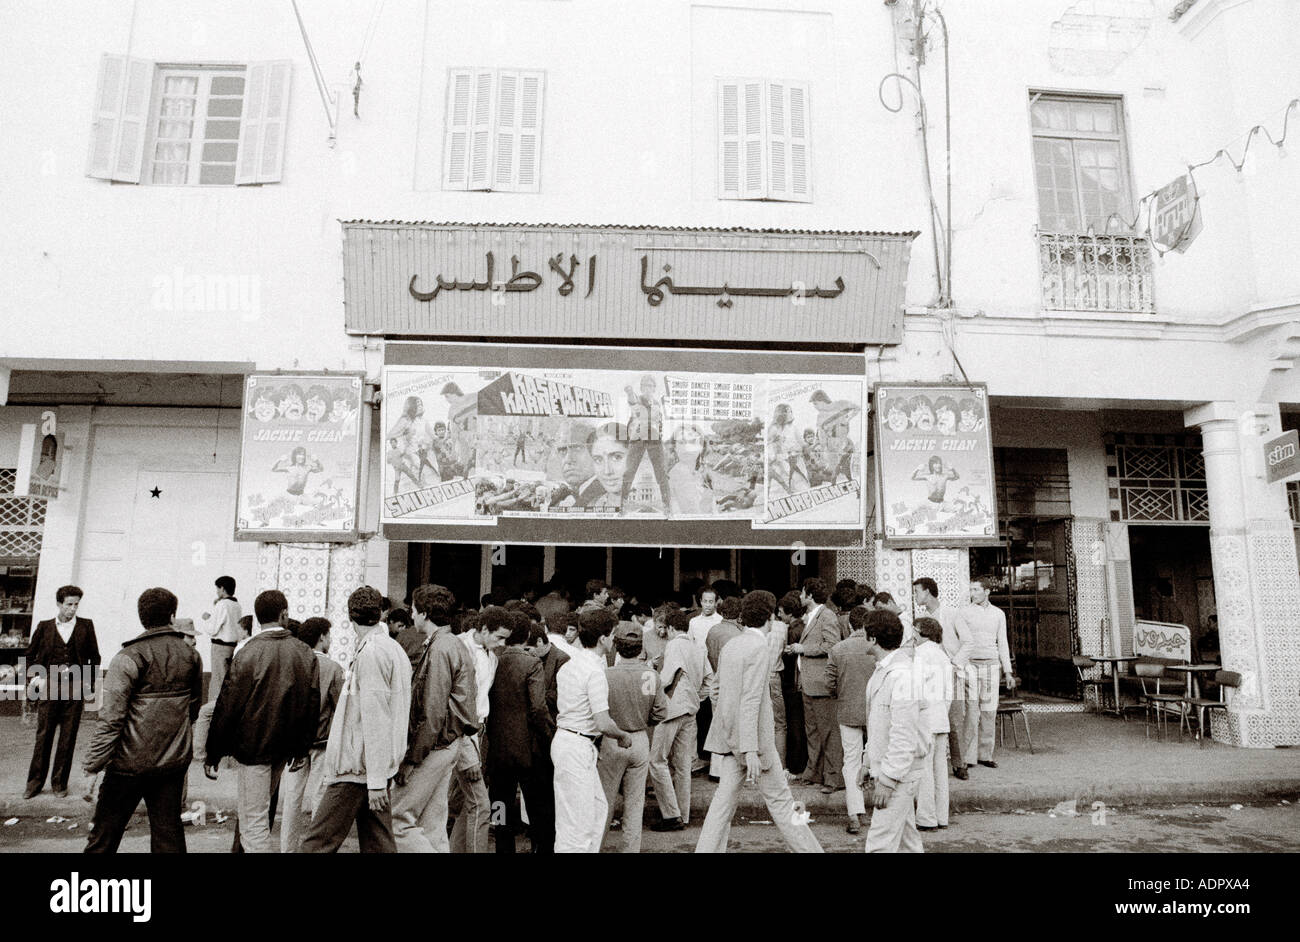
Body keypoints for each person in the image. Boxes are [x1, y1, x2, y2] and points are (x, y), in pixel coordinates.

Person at [696, 592, 823, 854]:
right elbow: (752, 699)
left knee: (722, 806)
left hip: (731, 740)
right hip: (756, 744)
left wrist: (733, 733)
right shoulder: (759, 648)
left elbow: (716, 691)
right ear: (769, 616)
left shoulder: (732, 644)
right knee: (782, 802)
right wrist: (750, 748)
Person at [83, 588, 202, 853]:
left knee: (104, 838)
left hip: (127, 764)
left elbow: (111, 719)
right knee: (168, 838)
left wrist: (93, 766)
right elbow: (192, 710)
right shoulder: (191, 656)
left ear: (141, 618)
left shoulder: (127, 657)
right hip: (171, 763)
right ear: (172, 616)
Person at [206, 589, 320, 853]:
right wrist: (302, 748)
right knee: (260, 814)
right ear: (284, 615)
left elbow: (227, 707)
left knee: (253, 823)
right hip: (284, 748)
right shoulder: (304, 652)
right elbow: (310, 704)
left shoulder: (247, 653)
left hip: (253, 748)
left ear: (257, 619)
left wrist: (213, 752)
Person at [300, 587, 411, 853]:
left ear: (351, 619)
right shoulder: (392, 649)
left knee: (316, 843)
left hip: (358, 768)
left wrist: (373, 781)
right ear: (380, 614)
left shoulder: (372, 653)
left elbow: (375, 718)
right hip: (373, 766)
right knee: (379, 844)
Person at [390, 584, 478, 853]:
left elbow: (432, 713)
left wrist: (411, 759)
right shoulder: (452, 644)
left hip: (436, 745)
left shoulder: (441, 648)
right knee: (433, 825)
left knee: (397, 822)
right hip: (448, 744)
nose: (411, 616)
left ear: (425, 613)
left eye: (413, 611)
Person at [552, 608, 632, 853]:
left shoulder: (572, 664)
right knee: (578, 824)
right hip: (576, 744)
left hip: (572, 742)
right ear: (603, 638)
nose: (614, 639)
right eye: (613, 634)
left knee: (597, 811)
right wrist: (623, 735)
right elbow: (603, 722)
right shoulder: (594, 671)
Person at [860, 609, 930, 854]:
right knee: (907, 840)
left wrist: (888, 780)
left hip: (900, 774)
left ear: (872, 639)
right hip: (895, 770)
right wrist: (868, 762)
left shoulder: (903, 677)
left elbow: (904, 735)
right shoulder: (885, 671)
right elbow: (879, 724)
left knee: (880, 844)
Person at [487, 610, 555, 853]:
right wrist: (550, 735)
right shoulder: (532, 663)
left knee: (499, 805)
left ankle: (502, 849)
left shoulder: (492, 660)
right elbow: (538, 708)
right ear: (527, 634)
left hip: (497, 747)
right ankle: (541, 848)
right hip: (529, 748)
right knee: (538, 807)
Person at [24, 585, 100, 799]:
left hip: (74, 689)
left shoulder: (86, 626)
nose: (73, 609)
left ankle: (59, 783)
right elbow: (30, 655)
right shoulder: (45, 627)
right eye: (69, 604)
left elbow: (95, 658)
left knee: (68, 738)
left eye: (76, 604)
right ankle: (34, 783)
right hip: (49, 688)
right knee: (44, 736)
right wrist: (36, 679)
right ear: (59, 604)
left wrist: (88, 684)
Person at [598, 623, 667, 852]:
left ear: (616, 647)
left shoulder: (605, 675)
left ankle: (595, 847)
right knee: (635, 805)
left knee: (603, 803)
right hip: (639, 738)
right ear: (640, 648)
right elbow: (660, 713)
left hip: (611, 739)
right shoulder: (652, 674)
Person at [280, 617, 343, 853]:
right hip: (322, 743)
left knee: (292, 800)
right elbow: (339, 708)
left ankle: (288, 849)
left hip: (294, 744)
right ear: (323, 637)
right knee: (319, 797)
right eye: (329, 634)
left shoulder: (292, 664)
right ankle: (317, 848)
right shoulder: (334, 668)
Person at [452, 607, 511, 852]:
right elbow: (458, 701)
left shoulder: (491, 655)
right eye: (499, 637)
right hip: (462, 732)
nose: (502, 643)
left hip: (478, 731)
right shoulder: (459, 648)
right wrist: (470, 748)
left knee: (468, 802)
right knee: (480, 804)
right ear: (483, 629)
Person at [648, 610, 710, 832]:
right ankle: (683, 815)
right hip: (690, 710)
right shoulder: (699, 647)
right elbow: (710, 680)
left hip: (671, 708)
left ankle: (671, 815)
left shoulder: (674, 645)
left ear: (673, 628)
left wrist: (650, 672)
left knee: (656, 760)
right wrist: (696, 697)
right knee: (684, 765)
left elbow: (665, 679)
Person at [913, 576, 972, 780]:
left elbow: (968, 642)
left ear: (927, 592)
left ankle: (959, 763)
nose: (915, 596)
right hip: (929, 676)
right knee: (929, 717)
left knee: (954, 719)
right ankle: (932, 764)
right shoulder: (920, 619)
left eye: (917, 592)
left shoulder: (953, 614)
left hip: (951, 673)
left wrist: (955, 665)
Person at [789, 578, 843, 792]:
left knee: (828, 733)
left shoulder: (827, 615)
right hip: (809, 683)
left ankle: (833, 778)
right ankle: (814, 772)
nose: (800, 597)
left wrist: (802, 649)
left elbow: (832, 645)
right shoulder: (813, 616)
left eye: (802, 593)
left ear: (810, 595)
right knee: (813, 732)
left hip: (821, 684)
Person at [955, 576, 1014, 769]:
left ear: (987, 591)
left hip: (991, 665)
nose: (972, 594)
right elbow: (960, 643)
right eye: (970, 590)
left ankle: (985, 754)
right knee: (971, 713)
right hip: (971, 666)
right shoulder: (964, 613)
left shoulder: (998, 614)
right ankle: (969, 757)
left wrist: (1008, 671)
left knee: (989, 711)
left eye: (976, 590)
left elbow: (1002, 642)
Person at [827, 606, 876, 834]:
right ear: (868, 625)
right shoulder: (876, 649)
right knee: (876, 758)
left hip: (847, 710)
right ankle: (880, 811)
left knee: (851, 760)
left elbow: (830, 683)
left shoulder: (837, 649)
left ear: (849, 625)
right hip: (874, 712)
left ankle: (854, 814)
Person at [913, 616, 953, 831]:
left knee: (924, 770)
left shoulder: (919, 655)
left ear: (921, 632)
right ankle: (941, 816)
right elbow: (949, 693)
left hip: (925, 719)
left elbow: (916, 689)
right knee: (940, 771)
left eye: (914, 630)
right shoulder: (942, 655)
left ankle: (926, 818)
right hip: (940, 718)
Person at [619, 373, 672, 515]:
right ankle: (622, 506)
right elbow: (632, 400)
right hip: (638, 437)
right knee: (629, 472)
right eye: (644, 386)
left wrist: (661, 438)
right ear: (641, 388)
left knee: (662, 473)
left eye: (650, 386)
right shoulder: (638, 399)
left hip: (654, 439)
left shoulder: (657, 404)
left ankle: (667, 507)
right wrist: (629, 391)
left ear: (654, 388)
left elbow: (660, 423)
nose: (647, 388)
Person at [688, 586, 722, 770]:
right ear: (700, 601)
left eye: (711, 601)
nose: (708, 605)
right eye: (705, 601)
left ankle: (713, 759)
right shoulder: (693, 622)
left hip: (715, 671)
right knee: (698, 713)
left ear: (716, 602)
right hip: (698, 672)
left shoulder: (720, 621)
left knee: (713, 715)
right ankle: (699, 755)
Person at [199, 576, 242, 702]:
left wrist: (207, 618)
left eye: (217, 589)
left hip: (220, 647)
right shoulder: (237, 605)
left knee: (217, 681)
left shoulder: (222, 604)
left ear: (222, 589)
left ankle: (213, 711)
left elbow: (213, 629)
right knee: (227, 680)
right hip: (232, 646)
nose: (217, 592)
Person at [667, 423, 713, 515]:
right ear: (675, 447)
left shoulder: (703, 472)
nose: (686, 448)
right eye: (681, 442)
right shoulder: (675, 474)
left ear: (701, 447)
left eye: (693, 442)